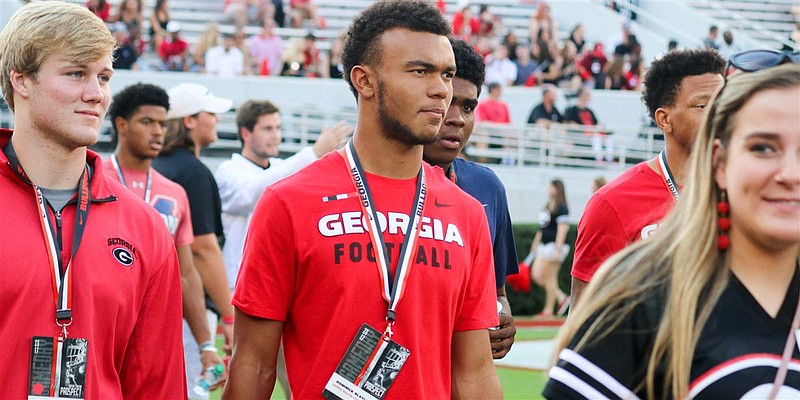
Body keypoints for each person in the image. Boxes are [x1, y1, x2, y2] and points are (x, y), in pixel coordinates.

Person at [223, 1, 502, 398]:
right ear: (364, 81)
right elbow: (253, 362)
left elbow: (474, 374)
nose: (441, 89)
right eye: (420, 70)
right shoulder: (288, 202)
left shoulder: (467, 214)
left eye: (447, 73)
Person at [544, 62, 799, 400]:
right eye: (763, 148)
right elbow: (580, 314)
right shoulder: (638, 297)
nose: (790, 173)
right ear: (720, 163)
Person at [0, 2, 185, 397]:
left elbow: (157, 383)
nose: (96, 94)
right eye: (75, 74)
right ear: (21, 81)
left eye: (103, 77)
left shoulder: (145, 227)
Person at [570, 49, 726, 309]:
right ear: (665, 119)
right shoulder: (612, 203)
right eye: (703, 105)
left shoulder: (746, 190)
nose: (719, 113)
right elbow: (585, 322)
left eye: (724, 101)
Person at [104, 83, 225, 392]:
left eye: (161, 123)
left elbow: (186, 274)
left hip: (156, 332)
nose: (158, 131)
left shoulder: (174, 193)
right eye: (147, 122)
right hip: (101, 328)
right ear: (122, 125)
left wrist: (206, 344)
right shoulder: (93, 178)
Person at [422, 37, 519, 359]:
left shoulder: (487, 186)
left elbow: (497, 293)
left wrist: (502, 319)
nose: (457, 118)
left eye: (468, 106)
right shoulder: (363, 184)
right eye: (447, 101)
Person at [216, 100, 353, 289]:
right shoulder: (228, 171)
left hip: (278, 279)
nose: (276, 136)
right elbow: (256, 193)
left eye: (278, 128)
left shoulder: (282, 167)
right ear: (245, 133)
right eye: (267, 129)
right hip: (237, 282)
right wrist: (313, 152)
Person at [152, 83, 235, 388]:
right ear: (189, 120)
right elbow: (202, 249)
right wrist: (229, 316)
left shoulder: (156, 166)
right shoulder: (193, 172)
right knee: (189, 390)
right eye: (210, 114)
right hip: (187, 313)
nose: (216, 120)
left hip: (155, 307)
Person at [527, 179, 571, 317]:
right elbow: (542, 227)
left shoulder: (562, 207)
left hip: (552, 247)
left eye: (551, 187)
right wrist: (535, 243)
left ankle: (548, 310)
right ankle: (561, 297)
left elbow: (562, 229)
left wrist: (558, 249)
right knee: (539, 276)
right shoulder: (548, 205)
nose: (548, 189)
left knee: (550, 278)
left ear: (557, 189)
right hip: (543, 246)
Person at [564, 87, 612, 164]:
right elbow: (569, 124)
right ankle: (598, 159)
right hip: (581, 135)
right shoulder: (571, 110)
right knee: (596, 138)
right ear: (581, 96)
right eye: (587, 94)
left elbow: (597, 123)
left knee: (607, 138)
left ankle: (609, 159)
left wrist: (598, 128)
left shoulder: (589, 111)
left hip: (592, 133)